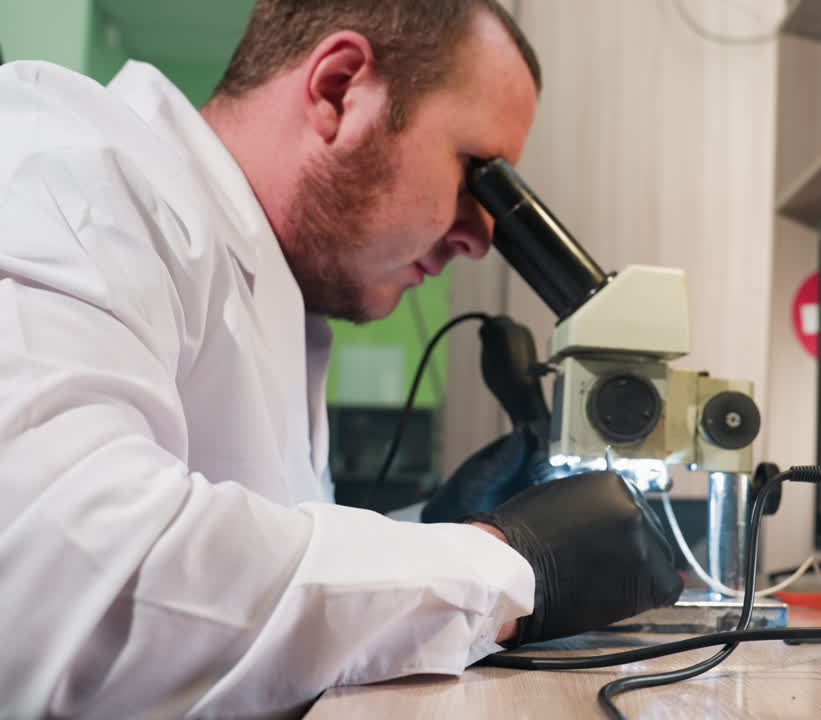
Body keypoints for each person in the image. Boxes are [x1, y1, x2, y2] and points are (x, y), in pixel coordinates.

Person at [0, 1, 682, 716]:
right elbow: (75, 589)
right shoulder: (65, 164)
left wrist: (432, 533)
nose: (481, 235)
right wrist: (501, 563)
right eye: (477, 172)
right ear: (338, 90)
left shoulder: (271, 293)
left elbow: (254, 587)